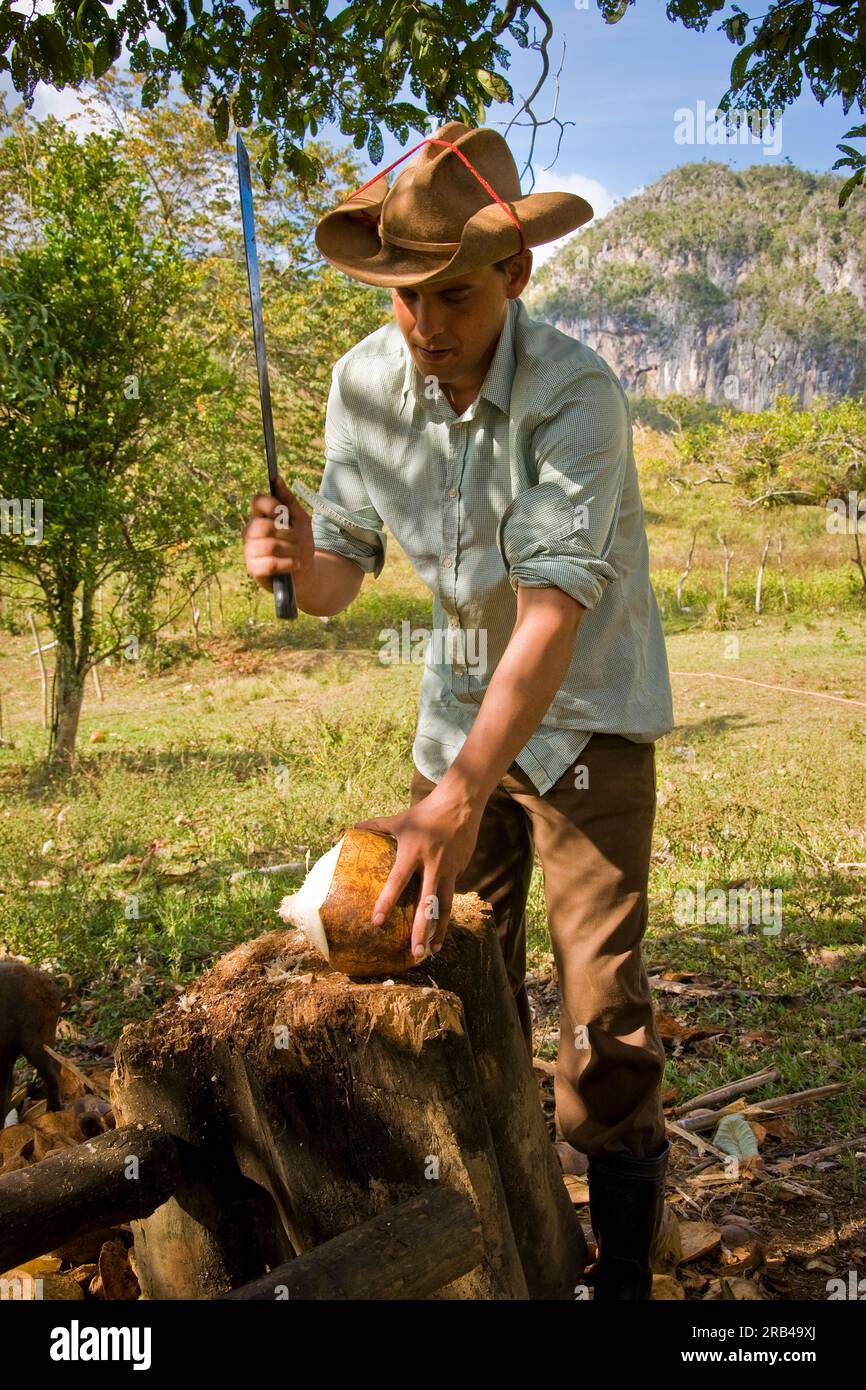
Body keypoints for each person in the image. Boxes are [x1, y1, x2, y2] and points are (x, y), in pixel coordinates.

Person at [243, 120, 675, 1300]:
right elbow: (341, 570)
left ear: (516, 275)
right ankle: (493, 1234)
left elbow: (547, 618)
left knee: (601, 1020)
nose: (426, 327)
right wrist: (289, 558)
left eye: (454, 295)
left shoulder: (577, 394)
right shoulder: (362, 385)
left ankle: (622, 1277)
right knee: (432, 980)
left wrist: (452, 797)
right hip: (455, 723)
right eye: (403, 300)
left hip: (584, 719)